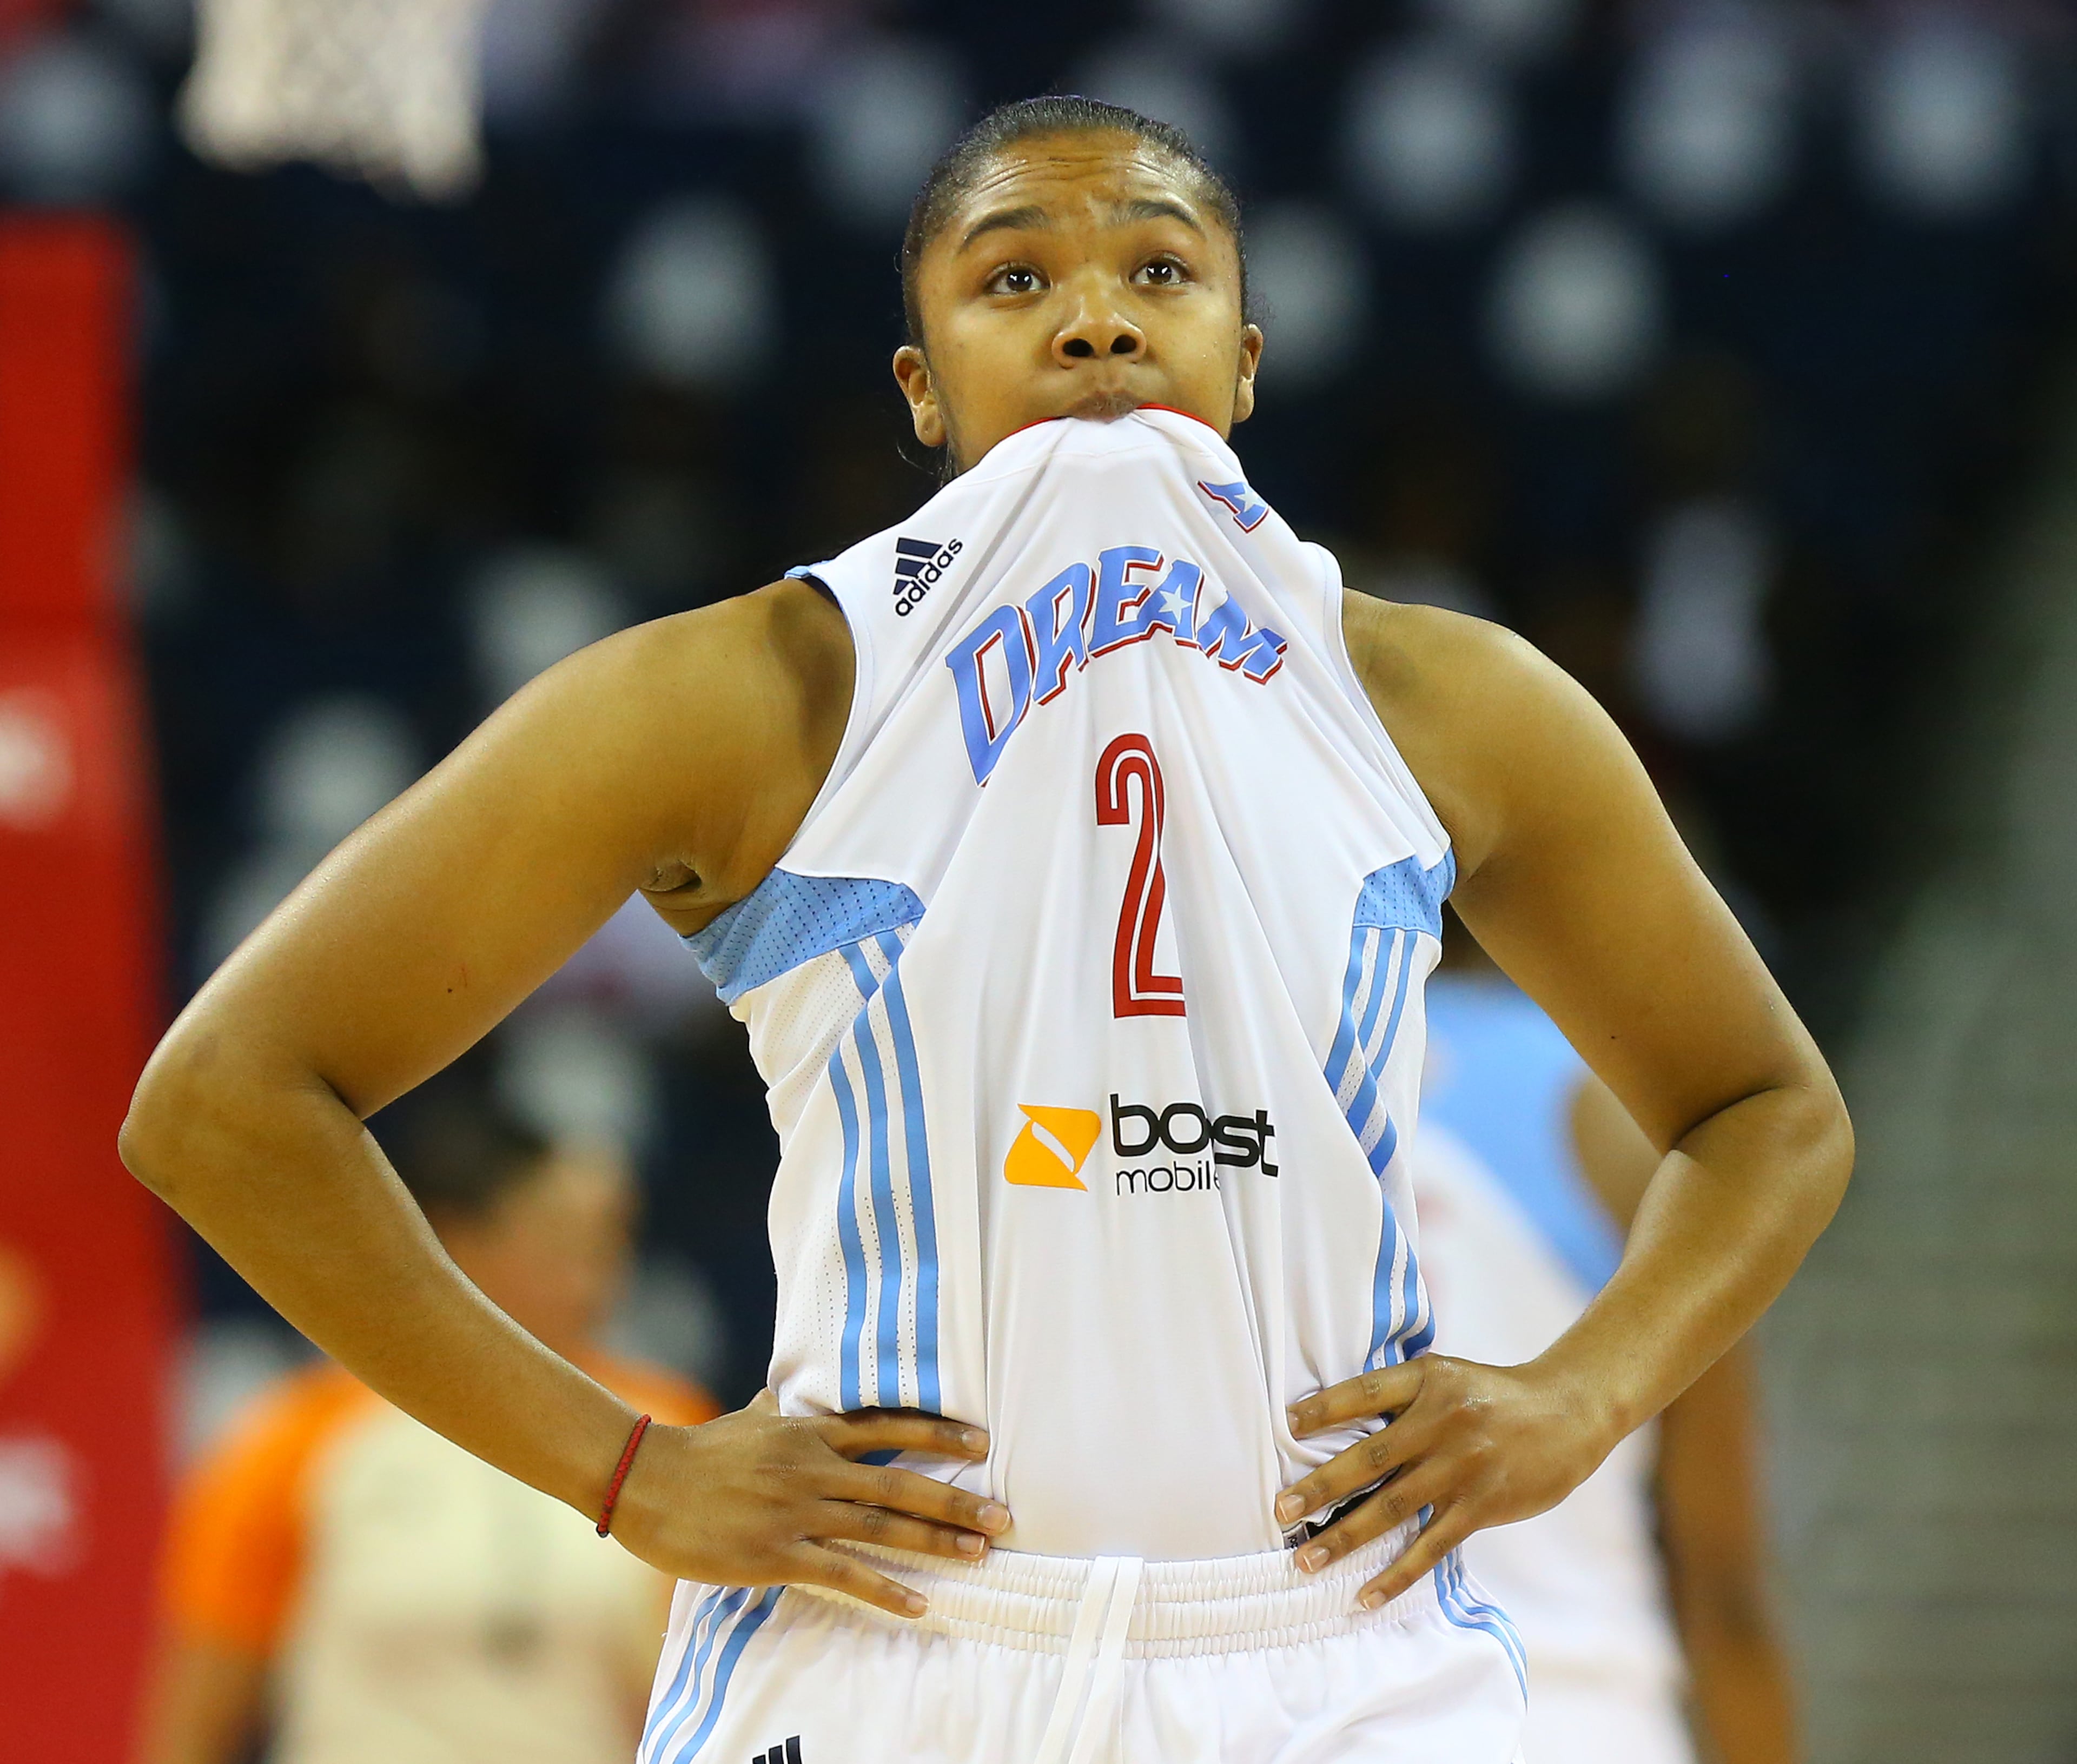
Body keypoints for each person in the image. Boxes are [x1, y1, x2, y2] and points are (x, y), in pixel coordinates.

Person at [120, 96, 1853, 1764]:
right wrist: (630, 1470)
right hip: (895, 1647)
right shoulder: (750, 693)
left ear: (1246, 359)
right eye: (1014, 277)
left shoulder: (1448, 702)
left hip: (1336, 1659)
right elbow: (223, 1100)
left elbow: (1768, 1110)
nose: (1097, 320)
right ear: (923, 386)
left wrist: (1577, 1396)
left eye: (1160, 270)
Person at [136, 1098, 716, 1764]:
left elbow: (715, 1682)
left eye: (609, 1243)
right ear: (452, 1242)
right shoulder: (299, 1437)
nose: (594, 1278)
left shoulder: (672, 1429)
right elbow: (197, 1717)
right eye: (559, 1242)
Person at [1417, 933, 1799, 1764]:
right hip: (1586, 1711)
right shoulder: (1625, 1116)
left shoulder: (1255, 1089)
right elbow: (1720, 1574)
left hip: (1323, 1712)